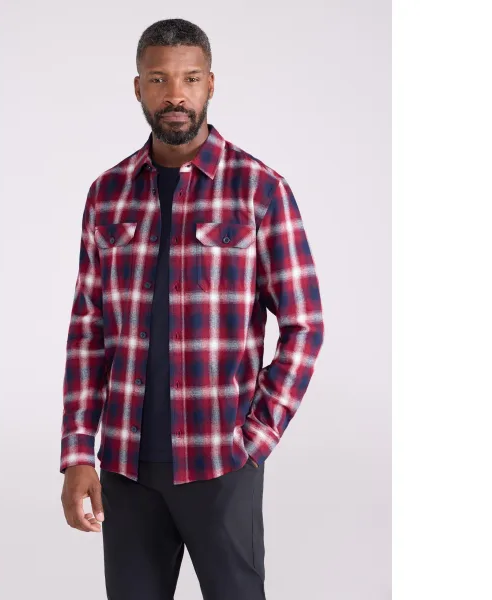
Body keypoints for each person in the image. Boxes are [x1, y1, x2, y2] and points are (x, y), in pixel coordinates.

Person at [60, 18, 325, 600]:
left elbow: (305, 325)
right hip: (126, 466)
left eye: (190, 78)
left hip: (221, 463)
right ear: (138, 88)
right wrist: (78, 452)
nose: (175, 93)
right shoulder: (107, 194)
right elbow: (87, 332)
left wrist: (256, 437)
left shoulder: (260, 189)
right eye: (159, 79)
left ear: (210, 84)